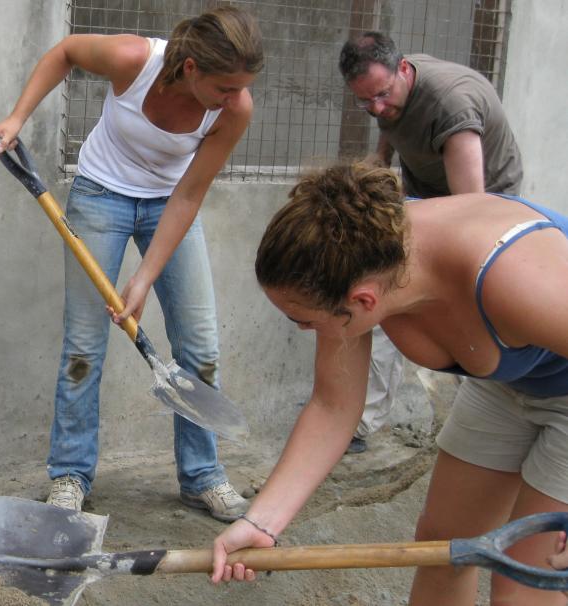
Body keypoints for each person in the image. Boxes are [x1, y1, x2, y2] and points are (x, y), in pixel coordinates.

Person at [209, 162, 568, 604]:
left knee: (525, 580)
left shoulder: (513, 278)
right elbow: (333, 407)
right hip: (507, 384)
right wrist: (261, 522)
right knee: (443, 548)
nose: (304, 329)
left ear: (364, 300)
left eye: (305, 321)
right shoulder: (364, 255)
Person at [0, 6, 263, 520]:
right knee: (84, 344)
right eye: (226, 87)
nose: (235, 98)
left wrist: (144, 276)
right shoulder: (134, 60)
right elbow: (65, 53)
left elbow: (187, 197)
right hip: (100, 196)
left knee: (199, 346)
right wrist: (17, 117)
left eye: (240, 88)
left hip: (169, 205)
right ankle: (70, 472)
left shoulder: (233, 110)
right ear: (192, 68)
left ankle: (202, 474)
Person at [337, 31, 524, 454]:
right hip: (426, 198)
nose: (377, 109)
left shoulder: (450, 104)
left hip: (486, 207)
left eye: (381, 96)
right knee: (377, 292)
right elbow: (389, 133)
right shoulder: (386, 89)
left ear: (404, 69)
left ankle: (488, 416)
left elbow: (469, 213)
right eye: (365, 102)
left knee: (470, 308)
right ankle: (363, 422)